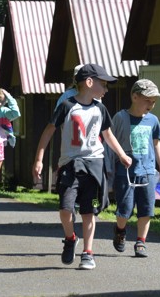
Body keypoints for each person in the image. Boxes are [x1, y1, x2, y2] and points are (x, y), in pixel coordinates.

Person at [32, 63, 132, 270]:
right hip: (70, 165)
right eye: (103, 84)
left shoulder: (100, 109)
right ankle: (70, 238)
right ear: (89, 82)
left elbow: (108, 135)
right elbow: (48, 131)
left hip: (94, 165)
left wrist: (122, 154)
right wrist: (39, 159)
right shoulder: (66, 106)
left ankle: (88, 253)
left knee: (89, 211)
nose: (106, 90)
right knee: (65, 209)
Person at [110, 79, 160, 258]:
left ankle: (141, 242)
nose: (151, 105)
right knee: (125, 209)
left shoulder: (153, 120)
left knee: (146, 209)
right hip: (126, 172)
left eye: (153, 102)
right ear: (134, 97)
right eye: (147, 100)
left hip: (148, 172)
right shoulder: (120, 118)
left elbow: (156, 144)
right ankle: (120, 230)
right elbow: (110, 141)